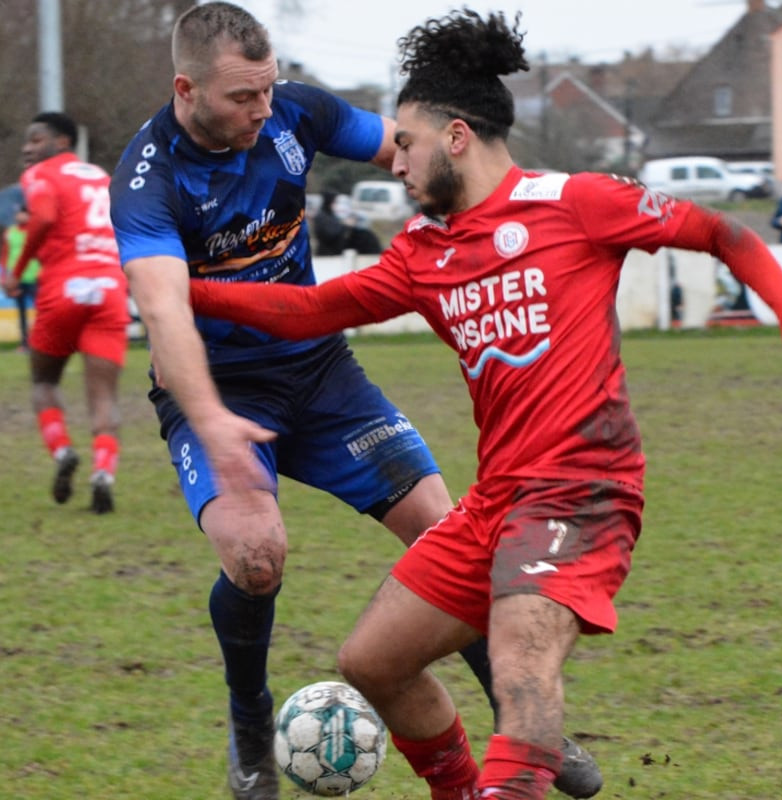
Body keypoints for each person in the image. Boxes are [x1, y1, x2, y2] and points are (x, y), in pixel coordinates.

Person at [185, 10, 782, 799]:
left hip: (585, 486)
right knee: (372, 662)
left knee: (520, 667)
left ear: (458, 137)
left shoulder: (578, 203)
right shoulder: (423, 255)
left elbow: (722, 233)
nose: (395, 160)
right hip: (497, 501)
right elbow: (307, 311)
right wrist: (176, 286)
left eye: (406, 142)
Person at [108, 4, 599, 799]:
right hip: (217, 390)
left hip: (321, 373)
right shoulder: (147, 181)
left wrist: (501, 216)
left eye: (267, 91)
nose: (262, 111)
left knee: (450, 538)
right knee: (256, 559)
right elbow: (163, 312)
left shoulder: (295, 110)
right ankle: (247, 722)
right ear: (185, 88)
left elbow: (414, 145)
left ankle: (520, 716)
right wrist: (210, 420)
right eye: (242, 98)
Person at [0, 111, 128, 515]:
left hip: (64, 287)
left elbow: (44, 217)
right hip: (109, 287)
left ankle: (61, 451)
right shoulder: (101, 176)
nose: (27, 148)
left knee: (43, 380)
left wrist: (17, 272)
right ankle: (103, 473)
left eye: (35, 140)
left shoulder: (40, 175)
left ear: (61, 142)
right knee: (104, 394)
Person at [0, 206, 42, 350]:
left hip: (35, 276)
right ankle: (24, 343)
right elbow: (5, 255)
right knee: (21, 312)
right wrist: (3, 276)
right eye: (17, 213)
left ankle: (40, 341)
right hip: (16, 279)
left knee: (42, 312)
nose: (19, 216)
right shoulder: (10, 232)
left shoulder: (35, 231)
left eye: (23, 213)